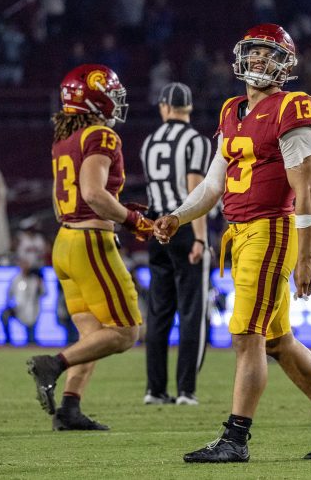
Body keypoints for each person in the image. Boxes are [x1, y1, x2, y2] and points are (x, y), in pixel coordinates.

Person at [154, 24, 311, 462]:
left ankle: (235, 438)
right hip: (241, 232)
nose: (258, 62)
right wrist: (178, 216)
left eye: (268, 55)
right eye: (253, 54)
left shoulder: (293, 107)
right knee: (276, 341)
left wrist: (307, 258)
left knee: (246, 334)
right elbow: (213, 184)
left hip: (271, 231)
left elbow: (306, 191)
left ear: (285, 64)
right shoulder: (232, 110)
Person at [26, 63, 153, 431]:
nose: (115, 101)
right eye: (111, 94)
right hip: (90, 241)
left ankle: (69, 409)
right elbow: (95, 194)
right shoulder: (101, 135)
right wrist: (132, 220)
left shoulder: (65, 139)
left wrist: (119, 211)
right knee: (126, 331)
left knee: (93, 335)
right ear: (94, 98)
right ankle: (54, 364)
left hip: (64, 241)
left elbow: (60, 201)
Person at [139, 81, 212, 406]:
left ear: (164, 107)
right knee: (192, 310)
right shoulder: (194, 140)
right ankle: (186, 390)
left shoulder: (149, 142)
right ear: (189, 108)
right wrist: (199, 236)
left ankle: (154, 389)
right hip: (183, 224)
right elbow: (195, 190)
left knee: (159, 310)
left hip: (156, 226)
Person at [1, 259, 46, 345]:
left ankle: (31, 344)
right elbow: (9, 294)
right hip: (18, 309)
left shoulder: (35, 279)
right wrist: (9, 305)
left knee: (31, 336)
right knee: (4, 315)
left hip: (32, 309)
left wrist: (40, 283)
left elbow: (44, 293)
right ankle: (8, 341)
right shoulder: (16, 279)